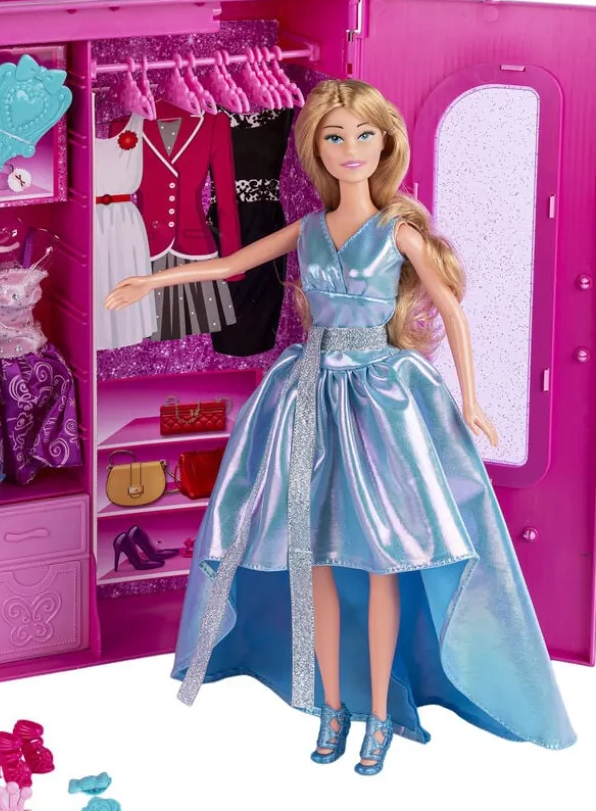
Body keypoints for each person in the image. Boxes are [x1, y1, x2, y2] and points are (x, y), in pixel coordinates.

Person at [104, 79, 575, 774]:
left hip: (381, 399)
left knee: (383, 560)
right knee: (316, 559)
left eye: (363, 135)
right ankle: (330, 705)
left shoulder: (397, 232)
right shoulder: (310, 230)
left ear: (385, 144)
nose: (350, 148)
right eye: (334, 136)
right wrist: (151, 281)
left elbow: (450, 309)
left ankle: (381, 713)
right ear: (316, 150)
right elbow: (233, 264)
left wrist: (471, 400)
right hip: (309, 396)